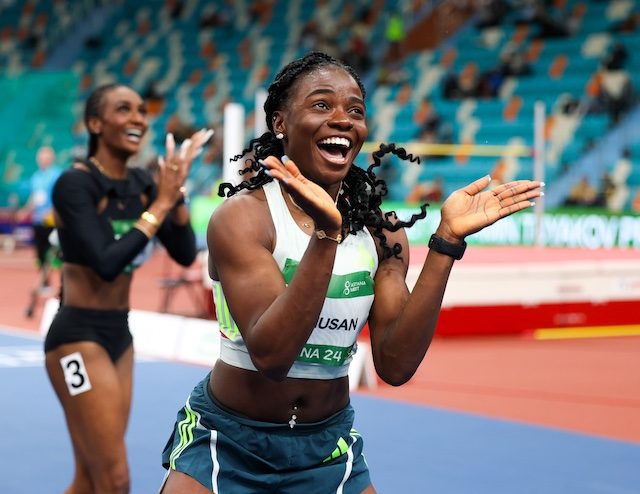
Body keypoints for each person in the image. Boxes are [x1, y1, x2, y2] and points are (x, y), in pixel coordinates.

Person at [160, 52, 543, 493]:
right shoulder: (244, 219)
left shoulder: (382, 234)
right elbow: (273, 356)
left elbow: (395, 365)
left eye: (355, 110)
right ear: (280, 123)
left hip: (327, 448)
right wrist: (327, 237)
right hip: (226, 442)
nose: (342, 119)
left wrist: (446, 244)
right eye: (322, 105)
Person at [44, 83, 212, 494]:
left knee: (90, 479)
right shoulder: (75, 185)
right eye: (124, 109)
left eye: (141, 110)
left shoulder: (143, 183)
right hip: (76, 339)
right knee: (116, 479)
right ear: (96, 123)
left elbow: (185, 252)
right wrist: (161, 202)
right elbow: (105, 262)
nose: (138, 117)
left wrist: (179, 194)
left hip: (120, 334)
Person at [16, 145, 62, 317]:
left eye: (46, 156)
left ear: (51, 158)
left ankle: (57, 288)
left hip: (52, 223)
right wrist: (26, 210)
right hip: (38, 222)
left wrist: (54, 213)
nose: (43, 159)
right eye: (41, 156)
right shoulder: (36, 177)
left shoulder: (56, 174)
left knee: (55, 256)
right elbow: (35, 198)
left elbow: (61, 195)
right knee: (41, 256)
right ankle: (45, 284)